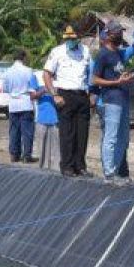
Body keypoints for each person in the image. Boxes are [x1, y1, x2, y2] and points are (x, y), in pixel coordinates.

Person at [42, 24, 92, 177]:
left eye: (74, 38)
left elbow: (90, 73)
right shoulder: (57, 52)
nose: (70, 40)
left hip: (82, 95)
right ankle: (67, 166)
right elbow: (46, 74)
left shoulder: (86, 51)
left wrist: (91, 95)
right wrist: (54, 95)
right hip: (65, 95)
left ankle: (80, 166)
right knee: (67, 133)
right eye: (68, 38)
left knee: (82, 134)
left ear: (79, 37)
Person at [91, 20, 134, 179]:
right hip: (111, 100)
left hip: (123, 99)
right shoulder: (103, 54)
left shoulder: (118, 52)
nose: (120, 35)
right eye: (117, 32)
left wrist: (126, 78)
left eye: (121, 32)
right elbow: (95, 79)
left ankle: (115, 170)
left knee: (124, 138)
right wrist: (117, 82)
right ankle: (109, 172)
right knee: (111, 137)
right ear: (109, 34)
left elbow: (119, 73)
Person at [0, 49, 42, 164]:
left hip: (13, 104)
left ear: (14, 58)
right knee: (27, 131)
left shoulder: (7, 72)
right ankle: (27, 156)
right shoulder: (28, 71)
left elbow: (6, 89)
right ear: (23, 58)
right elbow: (34, 88)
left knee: (14, 130)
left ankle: (14, 155)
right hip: (26, 103)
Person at [34, 83, 61, 172]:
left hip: (56, 120)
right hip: (41, 120)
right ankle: (42, 169)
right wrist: (44, 90)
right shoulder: (39, 83)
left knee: (56, 149)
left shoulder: (60, 83)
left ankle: (56, 169)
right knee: (41, 149)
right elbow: (33, 96)